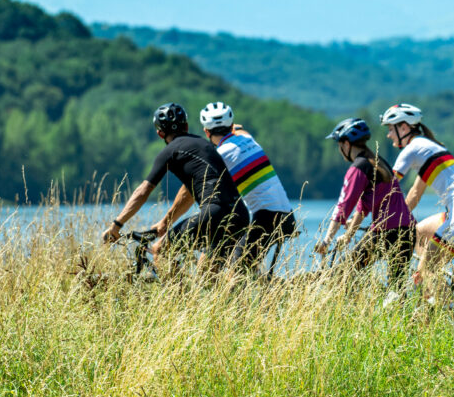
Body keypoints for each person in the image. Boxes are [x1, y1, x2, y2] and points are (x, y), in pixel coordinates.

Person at [102, 102, 248, 271]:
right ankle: (274, 287)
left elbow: (143, 191)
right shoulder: (203, 144)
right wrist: (165, 223)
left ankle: (180, 297)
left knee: (161, 252)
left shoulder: (170, 151)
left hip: (214, 213)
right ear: (186, 126)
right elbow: (188, 193)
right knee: (208, 274)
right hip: (240, 213)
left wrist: (116, 225)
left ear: (160, 133)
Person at [380, 103, 454, 289]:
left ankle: (448, 310)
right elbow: (414, 195)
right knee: (417, 233)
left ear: (404, 127)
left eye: (391, 128)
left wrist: (378, 221)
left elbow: (389, 186)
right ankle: (432, 297)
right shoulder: (427, 148)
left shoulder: (413, 149)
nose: (389, 134)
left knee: (425, 271)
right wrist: (393, 220)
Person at [316, 118, 417, 286]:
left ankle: (353, 309)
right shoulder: (378, 162)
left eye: (339, 145)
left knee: (342, 274)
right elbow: (363, 207)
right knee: (396, 289)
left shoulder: (359, 167)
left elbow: (344, 205)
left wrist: (326, 240)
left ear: (346, 144)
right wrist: (349, 234)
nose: (340, 150)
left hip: (387, 232)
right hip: (408, 230)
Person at [199, 101, 297, 272]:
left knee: (235, 272)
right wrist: (235, 127)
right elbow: (241, 129)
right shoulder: (247, 138)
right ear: (231, 127)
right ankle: (272, 291)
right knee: (247, 270)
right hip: (285, 215)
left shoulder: (220, 155)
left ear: (206, 132)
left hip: (268, 218)